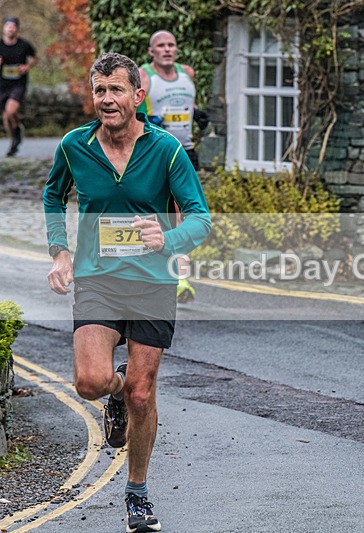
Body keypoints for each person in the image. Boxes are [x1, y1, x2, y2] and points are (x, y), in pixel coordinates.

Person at [43, 52, 211, 532]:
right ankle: (112, 393)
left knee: (143, 394)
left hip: (153, 282)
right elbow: (53, 194)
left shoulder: (167, 150)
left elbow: (200, 216)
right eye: (100, 90)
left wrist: (169, 239)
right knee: (90, 383)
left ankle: (137, 492)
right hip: (97, 279)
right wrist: (60, 251)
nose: (107, 99)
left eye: (117, 90)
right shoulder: (75, 147)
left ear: (139, 96)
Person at [138, 30, 209, 303]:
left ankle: (176, 275)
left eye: (171, 45)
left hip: (186, 152)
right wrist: (149, 120)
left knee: (186, 215)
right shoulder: (145, 76)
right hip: (158, 154)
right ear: (151, 51)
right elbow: (135, 112)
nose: (167, 49)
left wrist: (198, 114)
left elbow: (186, 104)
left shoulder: (187, 73)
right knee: (171, 216)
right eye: (161, 46)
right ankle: (175, 276)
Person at [0, 16, 36, 157]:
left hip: (18, 84)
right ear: (4, 28)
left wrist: (27, 66)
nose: (10, 28)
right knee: (6, 118)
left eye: (13, 26)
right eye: (8, 26)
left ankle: (16, 135)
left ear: (16, 29)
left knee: (10, 111)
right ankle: (15, 138)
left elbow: (34, 57)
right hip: (2, 85)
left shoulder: (23, 45)